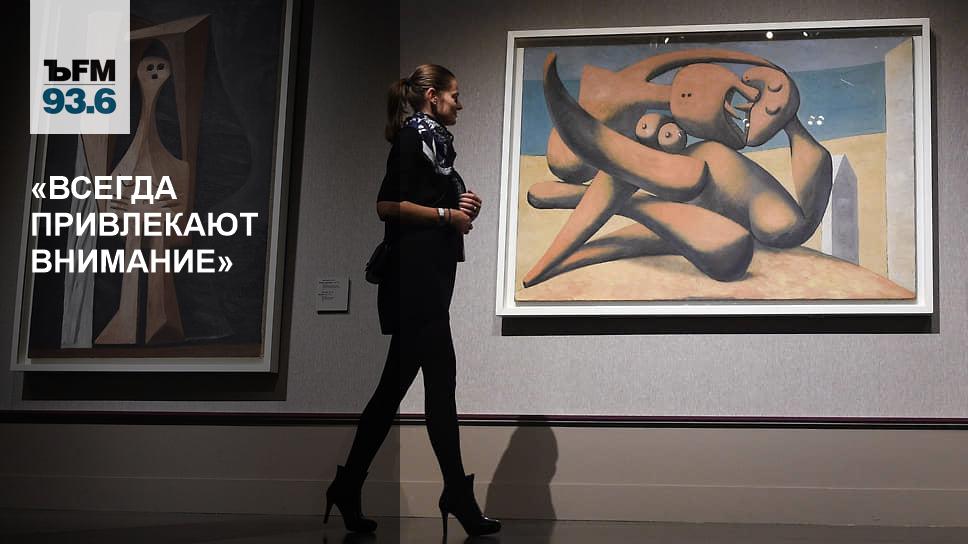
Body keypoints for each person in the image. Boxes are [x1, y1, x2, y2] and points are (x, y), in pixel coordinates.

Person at [324, 64, 501, 538]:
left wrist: (463, 205)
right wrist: (446, 214)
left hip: (428, 279)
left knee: (394, 391)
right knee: (441, 383)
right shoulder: (413, 138)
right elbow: (386, 205)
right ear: (432, 96)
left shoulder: (436, 144)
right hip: (414, 282)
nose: (460, 104)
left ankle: (348, 485)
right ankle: (456, 494)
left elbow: (433, 200)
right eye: (455, 95)